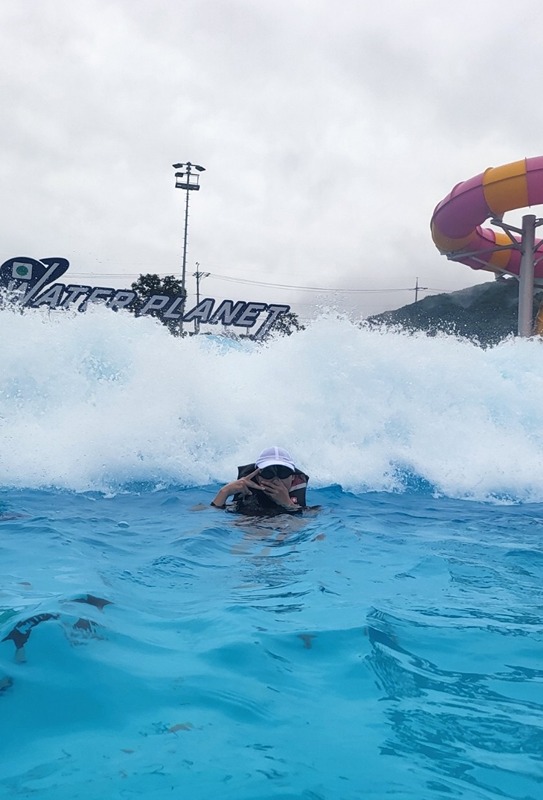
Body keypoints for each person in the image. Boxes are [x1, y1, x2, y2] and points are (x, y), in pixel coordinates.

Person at [211, 446, 309, 516]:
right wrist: (224, 492)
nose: (276, 480)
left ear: (292, 477)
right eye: (268, 473)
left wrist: (287, 504)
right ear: (258, 477)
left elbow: (301, 525)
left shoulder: (305, 511)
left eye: (283, 473)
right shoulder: (246, 499)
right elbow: (211, 515)